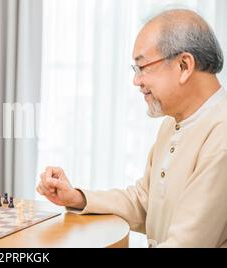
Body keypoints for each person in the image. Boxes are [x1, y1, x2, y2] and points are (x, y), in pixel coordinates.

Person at [37, 9, 227, 248]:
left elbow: (186, 243)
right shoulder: (173, 123)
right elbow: (145, 203)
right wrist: (76, 197)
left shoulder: (221, 136)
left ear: (183, 65)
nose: (136, 81)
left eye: (143, 67)